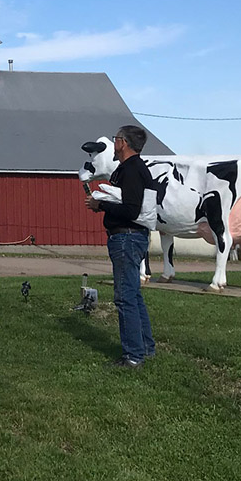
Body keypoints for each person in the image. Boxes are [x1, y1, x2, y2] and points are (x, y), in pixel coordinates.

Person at [84, 126, 157, 369]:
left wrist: (100, 205)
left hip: (126, 237)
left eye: (115, 139)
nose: (114, 143)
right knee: (134, 295)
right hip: (130, 237)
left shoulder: (132, 170)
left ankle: (133, 355)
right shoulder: (130, 169)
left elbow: (131, 210)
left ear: (122, 143)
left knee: (125, 297)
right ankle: (145, 347)